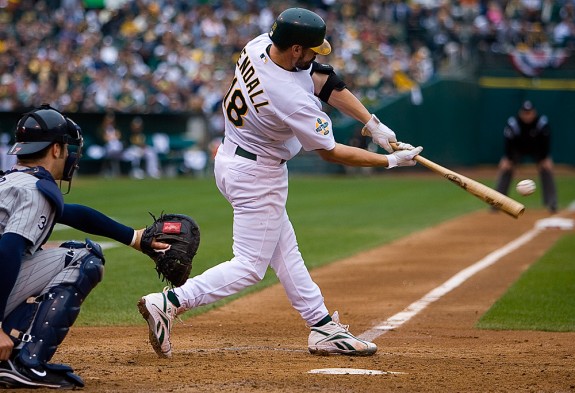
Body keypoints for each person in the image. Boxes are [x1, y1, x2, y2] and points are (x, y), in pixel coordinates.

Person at [138, 7, 422, 358]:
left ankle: (321, 326)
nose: (316, 56)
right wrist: (390, 160)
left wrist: (372, 123)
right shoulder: (289, 97)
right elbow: (331, 152)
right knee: (249, 267)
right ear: (296, 50)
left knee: (285, 251)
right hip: (258, 174)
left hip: (233, 159)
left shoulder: (259, 45)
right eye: (311, 50)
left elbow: (325, 79)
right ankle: (170, 301)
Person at [0, 105, 167, 389]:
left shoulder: (11, 181)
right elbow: (8, 250)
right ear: (56, 149)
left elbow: (73, 213)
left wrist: (134, 237)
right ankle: (25, 363)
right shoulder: (34, 191)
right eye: (67, 148)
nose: (69, 155)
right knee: (83, 259)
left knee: (60, 252)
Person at [494, 100, 557, 212]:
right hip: (518, 149)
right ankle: (497, 203)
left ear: (534, 112)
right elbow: (508, 143)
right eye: (525, 113)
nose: (527, 115)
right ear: (520, 113)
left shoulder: (541, 123)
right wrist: (508, 159)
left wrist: (545, 158)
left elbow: (546, 142)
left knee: (546, 168)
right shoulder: (513, 123)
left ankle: (551, 203)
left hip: (537, 149)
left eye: (529, 112)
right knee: (505, 168)